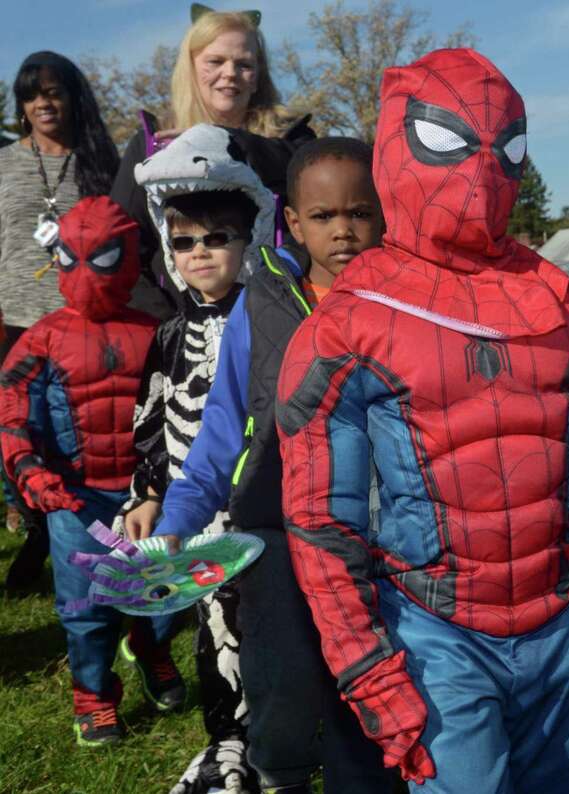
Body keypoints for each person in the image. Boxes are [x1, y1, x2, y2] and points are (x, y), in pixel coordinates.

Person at [276, 48, 569, 793]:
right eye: (453, 141)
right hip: (435, 634)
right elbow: (320, 520)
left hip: (560, 620)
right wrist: (367, 667)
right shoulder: (347, 325)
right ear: (406, 142)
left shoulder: (560, 303)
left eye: (507, 146)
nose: (483, 168)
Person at [139, 136, 392, 794]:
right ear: (293, 223)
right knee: (279, 694)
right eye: (324, 216)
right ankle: (278, 778)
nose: (343, 230)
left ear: (385, 214)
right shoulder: (264, 304)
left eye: (361, 212)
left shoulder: (408, 304)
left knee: (360, 698)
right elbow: (223, 424)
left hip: (381, 541)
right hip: (277, 532)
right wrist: (178, 516)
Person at [117, 122, 278, 791]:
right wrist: (146, 492)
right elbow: (151, 421)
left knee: (263, 624)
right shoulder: (171, 335)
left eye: (218, 238)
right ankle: (229, 742)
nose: (201, 253)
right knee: (214, 629)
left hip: (263, 501)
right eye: (185, 242)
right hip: (194, 505)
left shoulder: (270, 316)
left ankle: (280, 732)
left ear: (249, 240)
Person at [0, 196, 175, 746]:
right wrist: (28, 475)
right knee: (85, 606)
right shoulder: (42, 337)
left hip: (146, 494)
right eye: (72, 258)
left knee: (162, 594)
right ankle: (94, 697)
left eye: (101, 258)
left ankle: (151, 649)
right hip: (73, 498)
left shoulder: (158, 332)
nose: (86, 274)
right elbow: (10, 410)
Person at [0, 51, 121, 589]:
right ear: (21, 106)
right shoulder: (4, 164)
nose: (43, 103)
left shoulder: (99, 160)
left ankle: (59, 528)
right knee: (16, 429)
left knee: (70, 436)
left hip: (79, 320)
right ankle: (27, 516)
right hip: (14, 317)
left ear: (73, 97)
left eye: (53, 91)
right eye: (31, 94)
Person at [110, 5, 314, 320]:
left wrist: (225, 140)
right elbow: (123, 248)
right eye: (215, 61)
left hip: (275, 321)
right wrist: (165, 323)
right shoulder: (152, 144)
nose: (230, 73)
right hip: (180, 321)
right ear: (191, 69)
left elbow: (312, 194)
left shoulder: (292, 138)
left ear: (258, 76)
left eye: (244, 63)